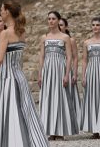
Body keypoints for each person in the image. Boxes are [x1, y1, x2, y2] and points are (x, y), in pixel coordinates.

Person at [0, 0, 48, 146]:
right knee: (25, 113)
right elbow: (19, 59)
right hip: (20, 78)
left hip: (7, 79)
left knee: (8, 113)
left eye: (1, 10)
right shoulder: (22, 32)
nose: (0, 12)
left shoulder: (5, 33)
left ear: (7, 12)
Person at [38, 11, 77, 140]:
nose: (51, 21)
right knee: (48, 98)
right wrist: (40, 74)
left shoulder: (65, 37)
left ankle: (60, 131)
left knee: (60, 98)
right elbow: (42, 57)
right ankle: (50, 131)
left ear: (58, 20)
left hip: (60, 70)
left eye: (53, 19)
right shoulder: (44, 37)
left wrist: (67, 74)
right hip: (48, 71)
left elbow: (70, 57)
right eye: (49, 18)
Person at [80, 17, 100, 139]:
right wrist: (83, 76)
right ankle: (94, 129)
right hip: (91, 73)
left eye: (98, 25)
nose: (95, 27)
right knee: (92, 98)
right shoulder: (87, 42)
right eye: (93, 25)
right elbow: (84, 60)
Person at [59, 18, 82, 127]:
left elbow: (75, 58)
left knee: (69, 95)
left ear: (66, 27)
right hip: (55, 70)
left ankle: (72, 121)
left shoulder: (71, 40)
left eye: (62, 25)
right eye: (59, 25)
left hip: (67, 69)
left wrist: (75, 73)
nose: (60, 27)